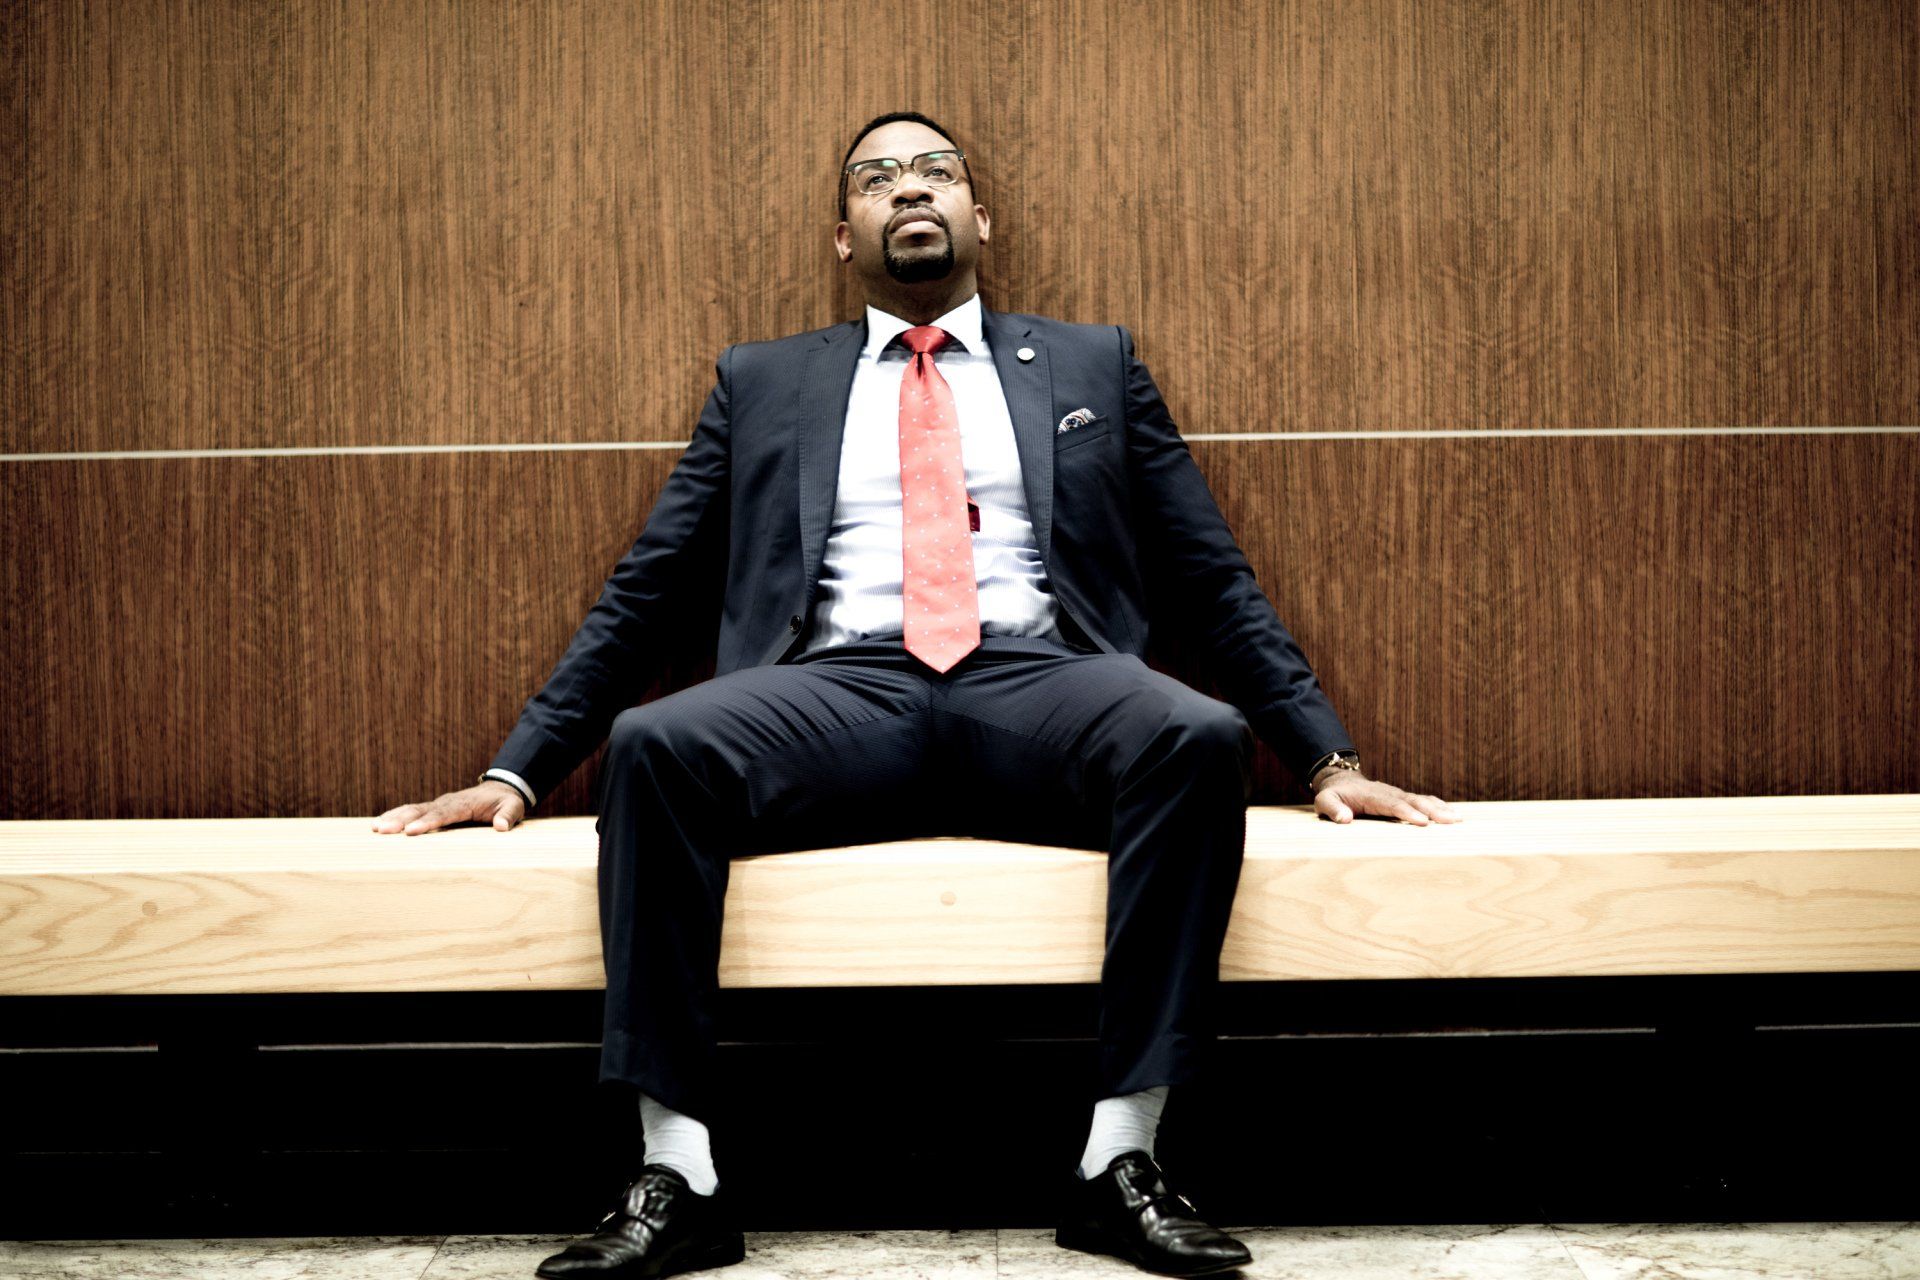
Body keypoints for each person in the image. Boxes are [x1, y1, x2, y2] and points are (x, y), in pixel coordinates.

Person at [375, 110, 1461, 1280]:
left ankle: (1121, 1159)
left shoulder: (1095, 362)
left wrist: (1326, 757)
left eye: (935, 171)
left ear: (979, 217)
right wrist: (518, 768)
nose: (909, 189)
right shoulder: (764, 379)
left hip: (1037, 679)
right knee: (654, 743)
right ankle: (676, 1173)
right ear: (844, 235)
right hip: (837, 687)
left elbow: (1210, 571)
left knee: (1194, 734)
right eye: (876, 177)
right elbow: (648, 589)